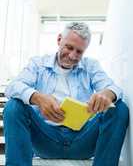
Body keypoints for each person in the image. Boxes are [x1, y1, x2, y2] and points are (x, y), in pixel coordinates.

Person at [3, 22, 129, 166]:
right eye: (69, 47)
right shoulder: (38, 64)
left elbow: (113, 88)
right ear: (59, 40)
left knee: (119, 108)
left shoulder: (91, 65)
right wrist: (38, 98)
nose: (72, 56)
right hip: (46, 139)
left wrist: (107, 94)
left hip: (83, 140)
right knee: (13, 106)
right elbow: (13, 87)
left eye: (79, 51)